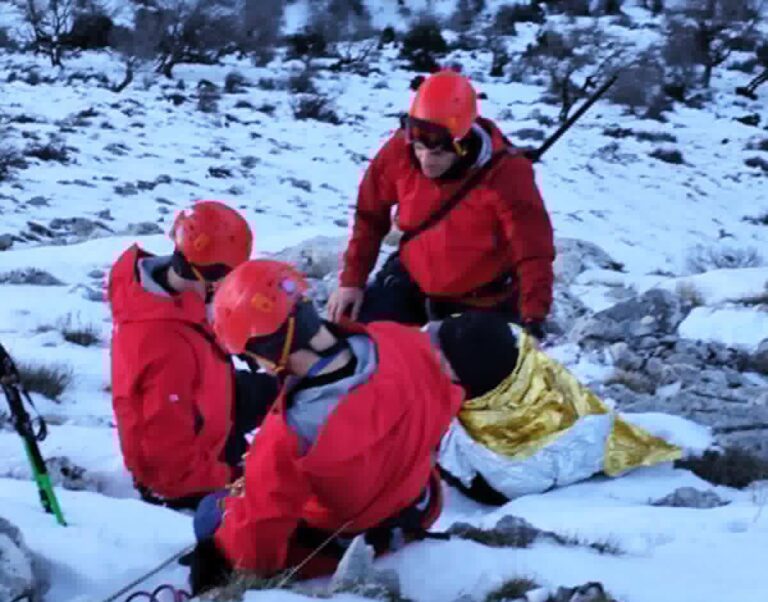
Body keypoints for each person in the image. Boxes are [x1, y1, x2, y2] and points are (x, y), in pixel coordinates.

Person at [185, 259, 464, 594]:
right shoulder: (401, 341)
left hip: (348, 538)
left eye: (249, 356)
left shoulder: (291, 432)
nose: (254, 365)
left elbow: (257, 544)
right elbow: (448, 399)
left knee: (208, 514)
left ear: (268, 349)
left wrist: (218, 561)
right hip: (416, 503)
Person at [327, 69, 555, 337]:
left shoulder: (506, 175)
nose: (426, 161)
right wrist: (352, 281)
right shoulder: (398, 151)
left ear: (463, 143)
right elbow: (370, 214)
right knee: (352, 346)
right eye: (419, 148)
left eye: (437, 151)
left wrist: (533, 320)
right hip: (412, 280)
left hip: (481, 300)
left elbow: (532, 250)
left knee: (464, 374)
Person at [108, 200, 277, 509]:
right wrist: (237, 476)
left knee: (290, 388)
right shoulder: (164, 349)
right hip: (191, 470)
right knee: (280, 485)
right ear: (211, 276)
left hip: (208, 404)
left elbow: (200, 333)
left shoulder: (166, 295)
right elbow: (168, 473)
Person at [426, 312, 681, 505]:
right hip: (565, 452)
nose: (436, 357)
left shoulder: (472, 401)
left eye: (443, 357)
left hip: (502, 485)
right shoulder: (532, 366)